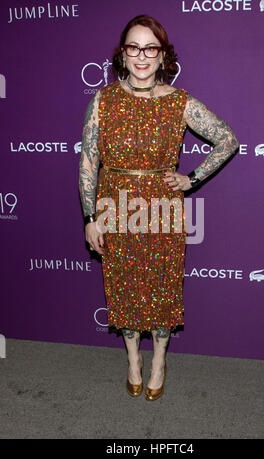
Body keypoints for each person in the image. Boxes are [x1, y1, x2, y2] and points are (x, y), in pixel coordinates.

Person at [79, 15, 239, 401]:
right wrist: (89, 217)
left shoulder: (179, 102)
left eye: (150, 48)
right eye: (133, 47)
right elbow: (88, 160)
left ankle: (159, 361)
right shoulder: (103, 99)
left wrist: (192, 178)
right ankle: (133, 359)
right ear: (122, 54)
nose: (142, 56)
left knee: (162, 291)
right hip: (114, 205)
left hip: (162, 209)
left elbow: (227, 139)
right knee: (124, 288)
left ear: (163, 54)